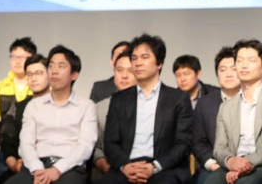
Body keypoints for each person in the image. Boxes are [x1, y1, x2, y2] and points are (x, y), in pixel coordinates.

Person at [99, 34, 193, 184]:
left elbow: (183, 144)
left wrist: (154, 167)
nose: (138, 63)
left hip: (164, 168)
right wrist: (125, 166)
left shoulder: (178, 98)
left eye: (144, 57)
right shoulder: (119, 99)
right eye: (134, 58)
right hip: (127, 167)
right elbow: (110, 142)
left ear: (159, 63)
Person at [5, 45, 96, 184]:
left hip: (69, 169)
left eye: (61, 66)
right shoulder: (33, 106)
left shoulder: (86, 106)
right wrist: (37, 169)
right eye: (51, 66)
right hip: (35, 168)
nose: (54, 71)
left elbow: (85, 146)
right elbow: (26, 144)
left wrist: (57, 169)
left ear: (74, 75)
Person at [208, 40, 262, 184]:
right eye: (239, 61)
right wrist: (230, 160)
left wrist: (244, 164)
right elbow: (219, 148)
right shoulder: (226, 107)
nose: (244, 65)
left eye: (251, 60)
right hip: (232, 165)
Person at [0, 54, 50, 184]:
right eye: (29, 74)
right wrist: (14, 164)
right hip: (22, 166)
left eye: (38, 73)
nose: (33, 78)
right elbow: (7, 140)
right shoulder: (18, 107)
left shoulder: (60, 105)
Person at [192, 47, 240, 184]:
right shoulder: (204, 103)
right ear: (217, 74)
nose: (228, 74)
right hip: (214, 166)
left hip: (246, 166)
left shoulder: (252, 100)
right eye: (223, 70)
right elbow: (197, 141)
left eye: (233, 69)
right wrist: (213, 165)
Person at [93, 50, 137, 181]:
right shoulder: (99, 107)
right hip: (110, 170)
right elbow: (95, 146)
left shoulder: (150, 105)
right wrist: (105, 167)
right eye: (119, 70)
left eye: (130, 71)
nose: (124, 76)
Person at [0, 37, 37, 123]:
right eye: (14, 57)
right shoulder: (0, 86)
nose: (17, 61)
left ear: (33, 59)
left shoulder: (43, 86)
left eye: (22, 57)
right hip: (6, 131)